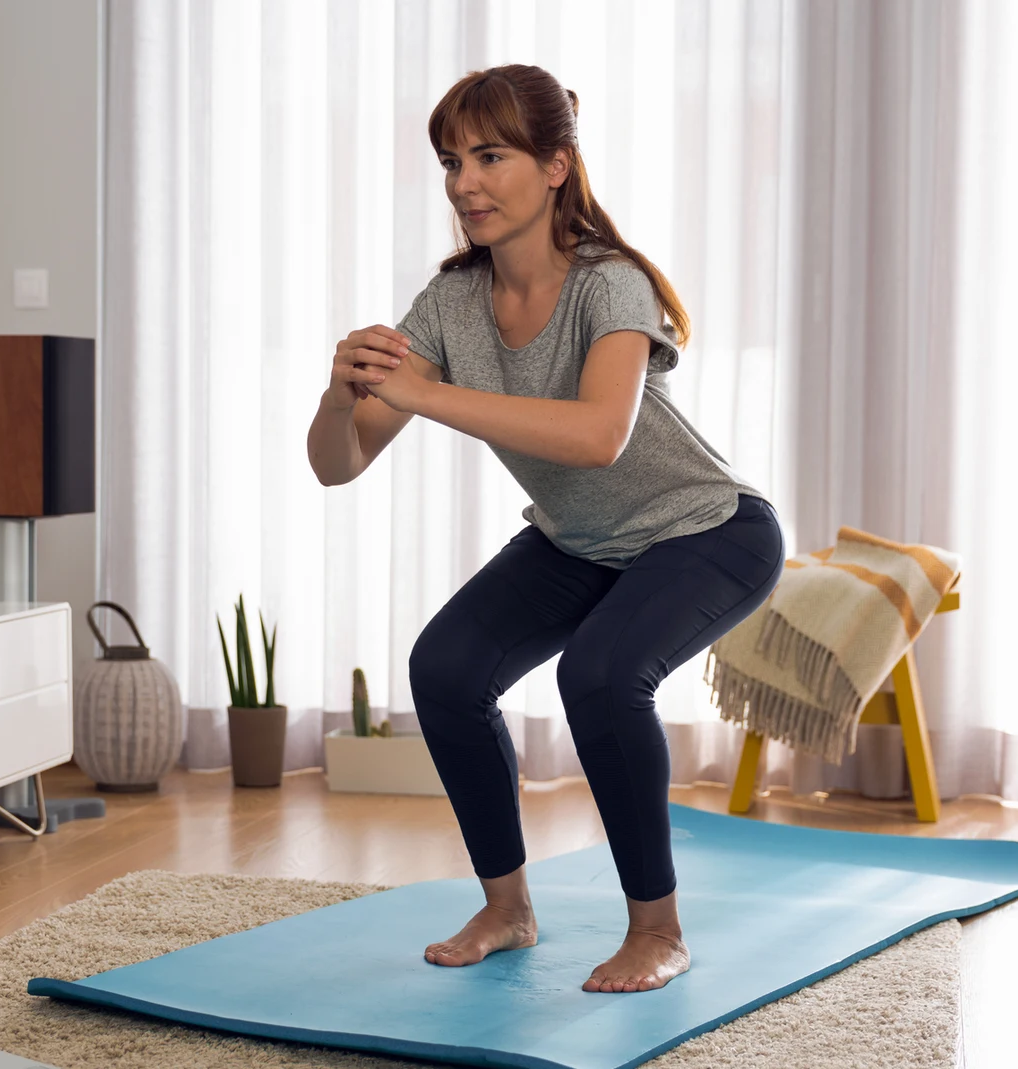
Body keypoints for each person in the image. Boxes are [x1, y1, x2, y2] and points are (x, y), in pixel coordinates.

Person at [305, 64, 784, 994]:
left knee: (600, 675)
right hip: (582, 542)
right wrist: (339, 393)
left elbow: (599, 436)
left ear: (556, 165)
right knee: (446, 668)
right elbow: (340, 461)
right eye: (452, 162)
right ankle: (507, 908)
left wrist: (426, 394)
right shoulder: (451, 303)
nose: (465, 183)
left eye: (491, 157)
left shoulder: (611, 284)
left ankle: (658, 930)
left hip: (707, 530)